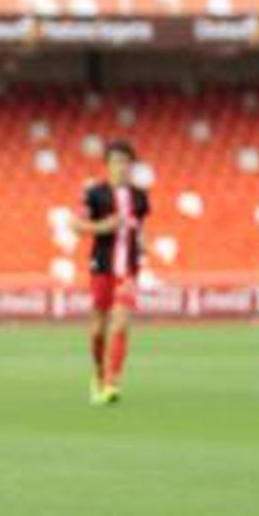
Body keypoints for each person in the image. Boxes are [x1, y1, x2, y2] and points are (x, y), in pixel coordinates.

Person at [70, 140, 149, 404]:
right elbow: (75, 224)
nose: (122, 167)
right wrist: (104, 226)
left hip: (128, 269)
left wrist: (142, 244)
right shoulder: (95, 193)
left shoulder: (139, 196)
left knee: (121, 323)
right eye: (116, 162)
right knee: (97, 330)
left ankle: (112, 382)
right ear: (108, 166)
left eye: (126, 162)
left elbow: (141, 227)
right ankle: (98, 373)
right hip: (101, 267)